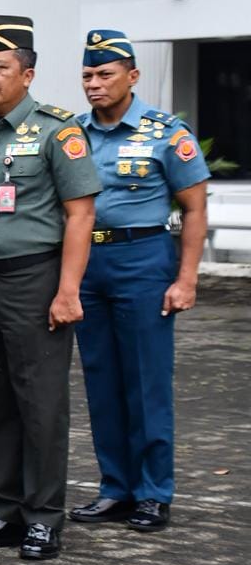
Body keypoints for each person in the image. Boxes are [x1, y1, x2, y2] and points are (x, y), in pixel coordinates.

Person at [0, 15, 102, 560]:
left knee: (40, 403)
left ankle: (44, 516)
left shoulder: (58, 131)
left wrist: (68, 290)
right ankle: (2, 510)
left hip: (34, 280)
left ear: (27, 75)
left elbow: (80, 215)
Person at [69, 29, 210, 533]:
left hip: (143, 258)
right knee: (101, 381)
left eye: (104, 75)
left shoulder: (166, 132)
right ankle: (115, 488)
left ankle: (153, 491)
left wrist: (186, 278)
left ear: (132, 75)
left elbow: (194, 209)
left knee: (146, 381)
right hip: (87, 266)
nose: (94, 85)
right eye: (87, 75)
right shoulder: (72, 133)